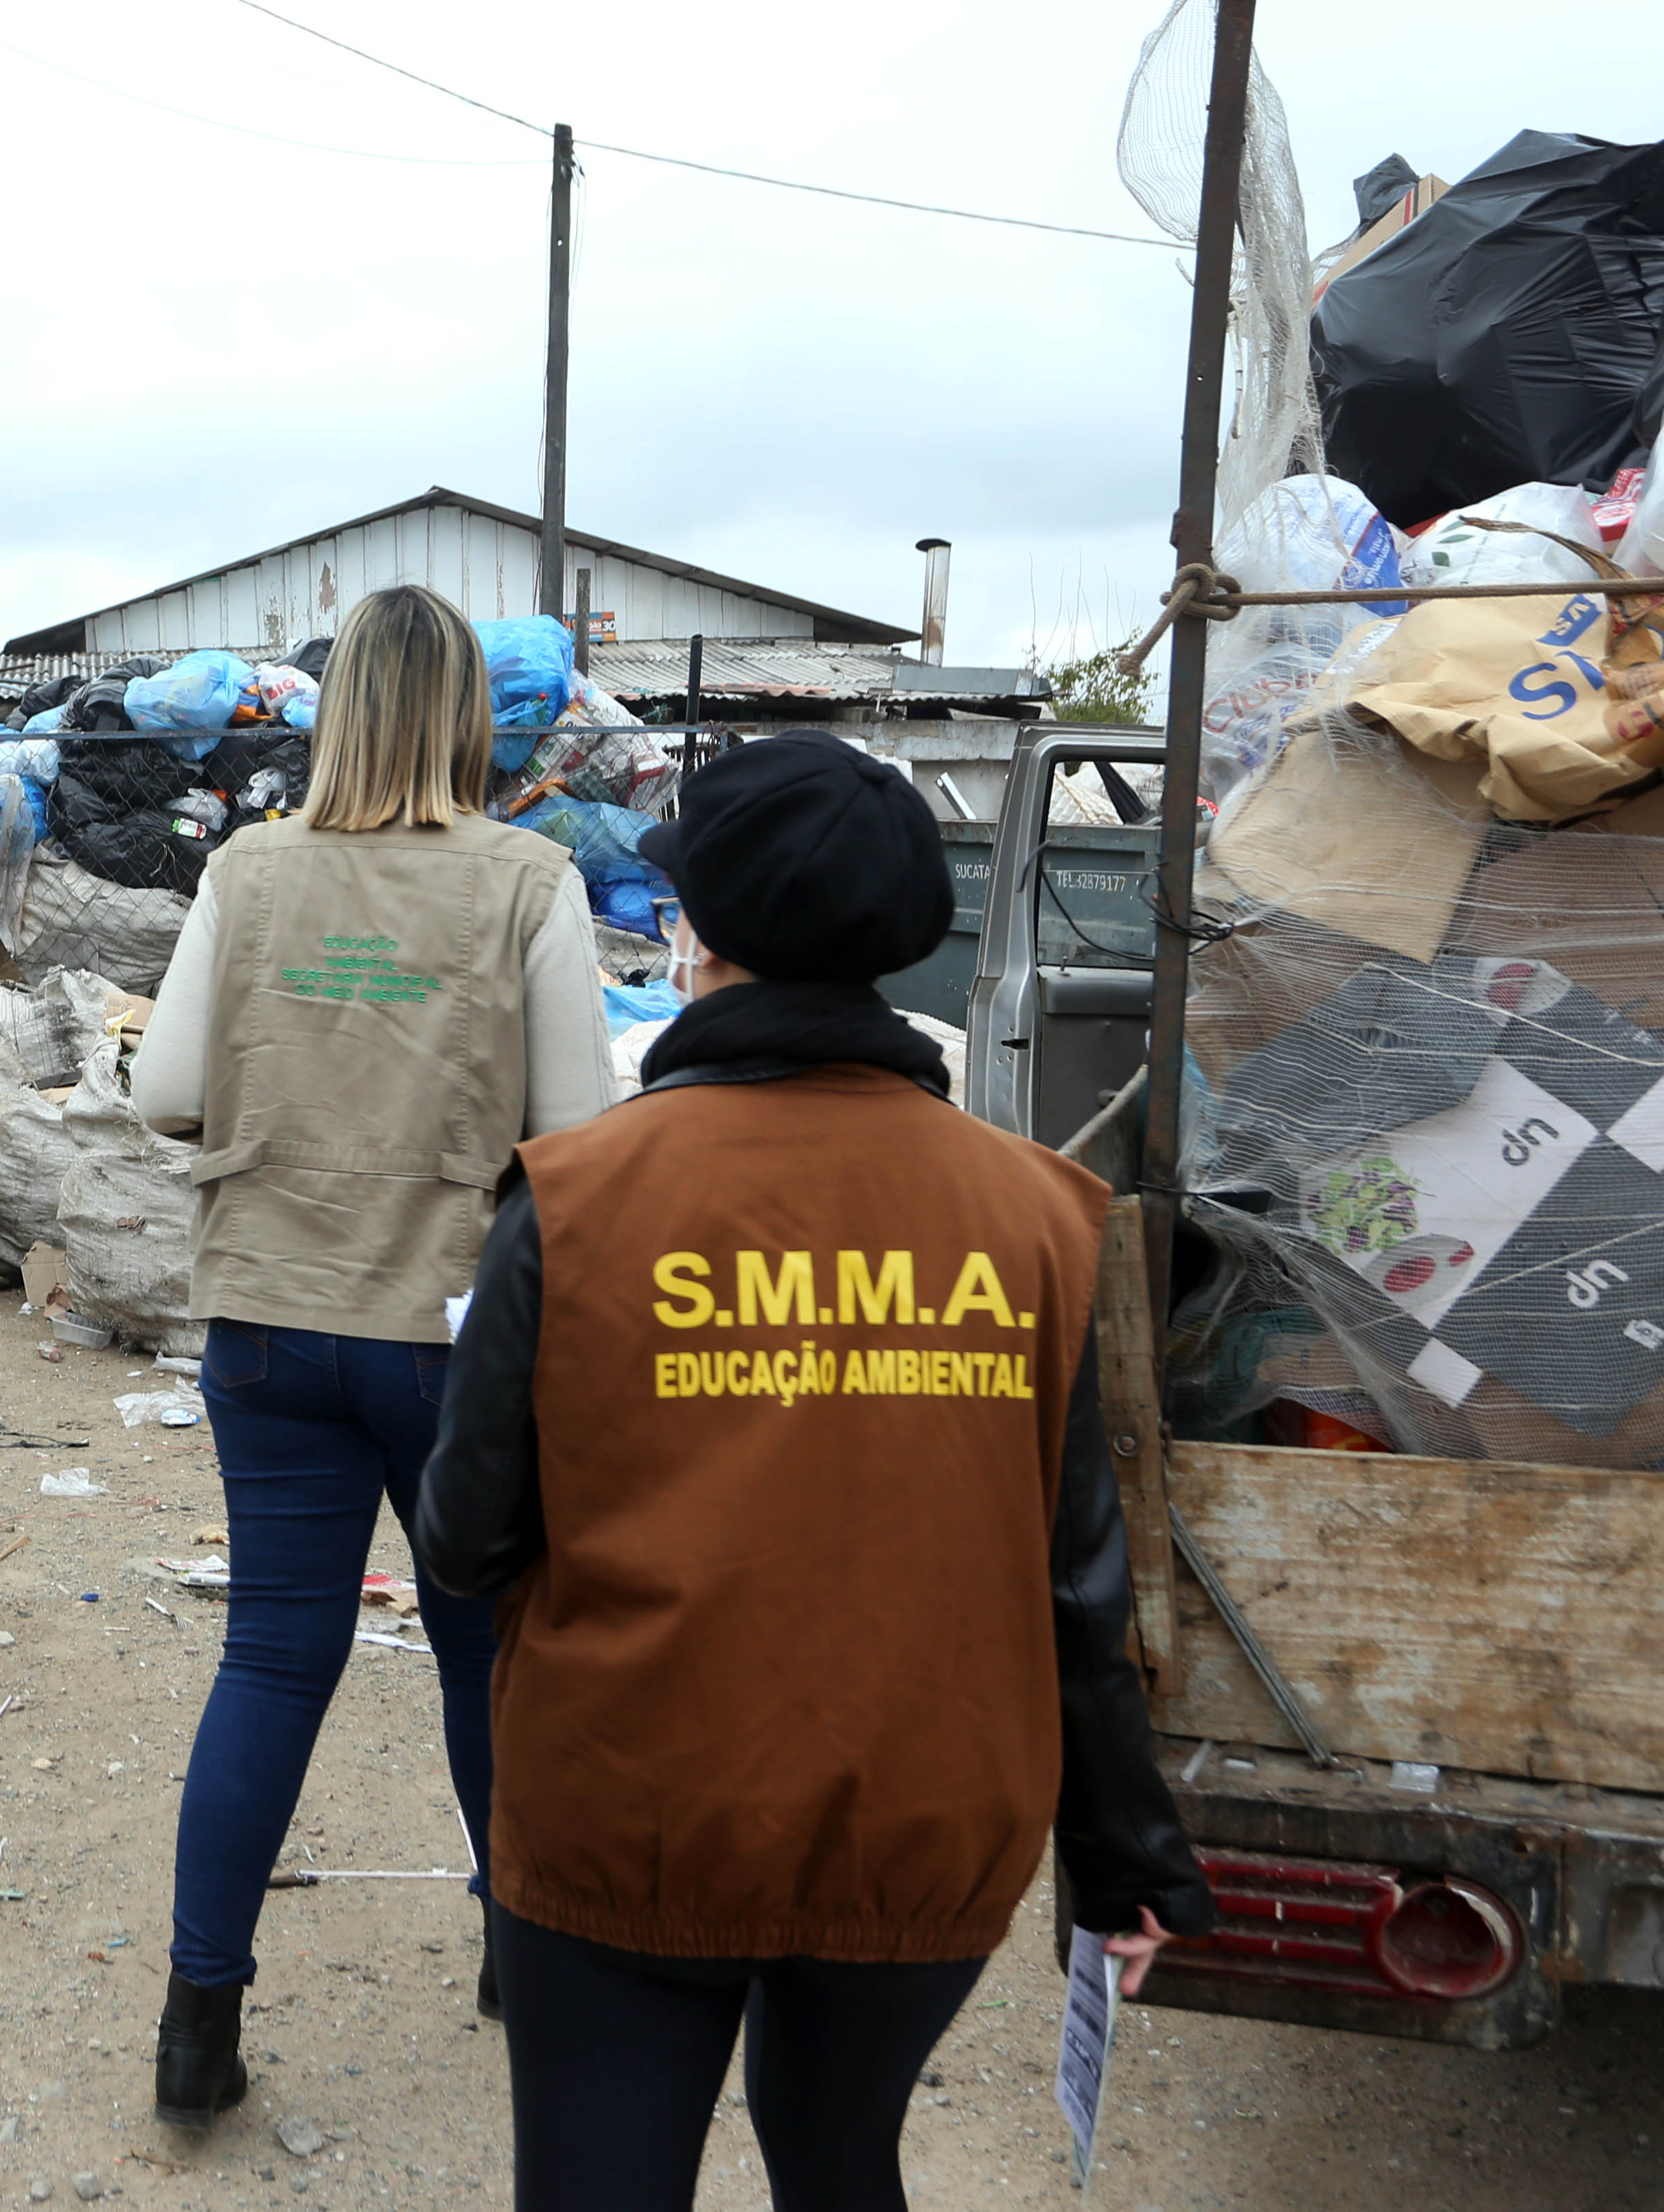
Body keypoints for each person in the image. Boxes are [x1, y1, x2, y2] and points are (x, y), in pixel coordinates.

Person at [413, 729, 1217, 2212]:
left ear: (704, 934)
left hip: (634, 1808)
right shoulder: (1042, 1217)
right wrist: (1128, 1864)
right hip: (925, 1824)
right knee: (843, 2161)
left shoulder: (581, 1201)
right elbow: (1076, 1583)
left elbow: (461, 1543)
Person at [125, 582, 614, 2126]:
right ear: (475, 716)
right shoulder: (530, 880)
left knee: (272, 1657)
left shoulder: (250, 871)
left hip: (269, 1322)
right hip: (450, 1340)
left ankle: (201, 2018)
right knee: (484, 1657)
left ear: (335, 714)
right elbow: (582, 1140)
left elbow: (165, 1093)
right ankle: (514, 1958)